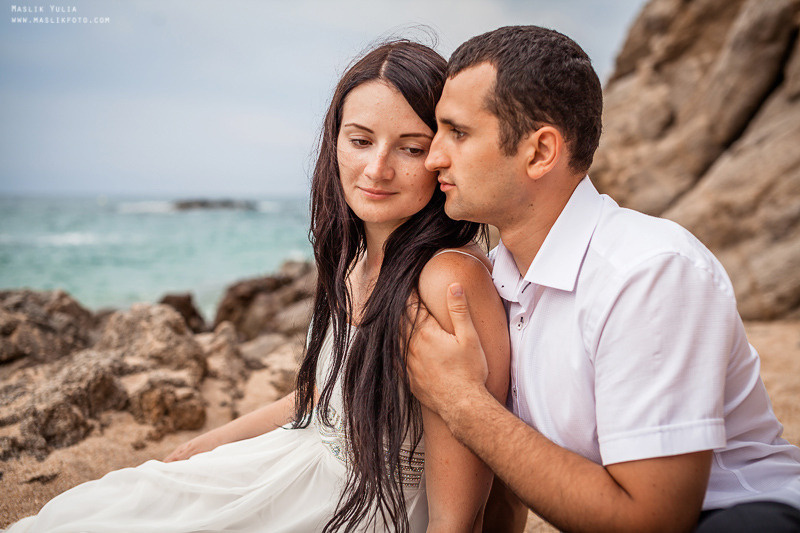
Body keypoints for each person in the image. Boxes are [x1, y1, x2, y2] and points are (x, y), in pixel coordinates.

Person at [4, 40, 510, 533]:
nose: (377, 169)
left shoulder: (448, 280)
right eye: (360, 141)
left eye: (411, 148)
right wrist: (214, 442)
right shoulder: (358, 253)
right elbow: (322, 399)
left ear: (442, 154)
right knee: (96, 508)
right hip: (301, 459)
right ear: (333, 142)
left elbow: (457, 516)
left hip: (364, 508)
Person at [406, 25, 800, 533]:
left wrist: (461, 402)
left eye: (457, 132)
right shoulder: (496, 280)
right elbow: (514, 475)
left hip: (739, 520)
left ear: (540, 152)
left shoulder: (648, 272)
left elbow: (652, 521)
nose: (434, 155)